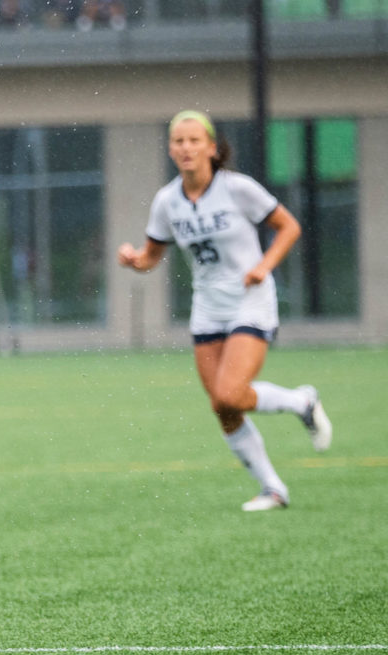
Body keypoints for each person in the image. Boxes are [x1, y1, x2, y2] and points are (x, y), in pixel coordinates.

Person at [117, 110, 332, 512]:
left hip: (250, 301)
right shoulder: (167, 201)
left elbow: (289, 227)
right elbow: (152, 256)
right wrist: (134, 260)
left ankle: (302, 401)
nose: (186, 148)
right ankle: (273, 489)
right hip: (208, 308)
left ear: (212, 148)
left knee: (231, 392)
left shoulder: (237, 189)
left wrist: (264, 266)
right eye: (178, 141)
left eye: (194, 140)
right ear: (170, 149)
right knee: (222, 406)